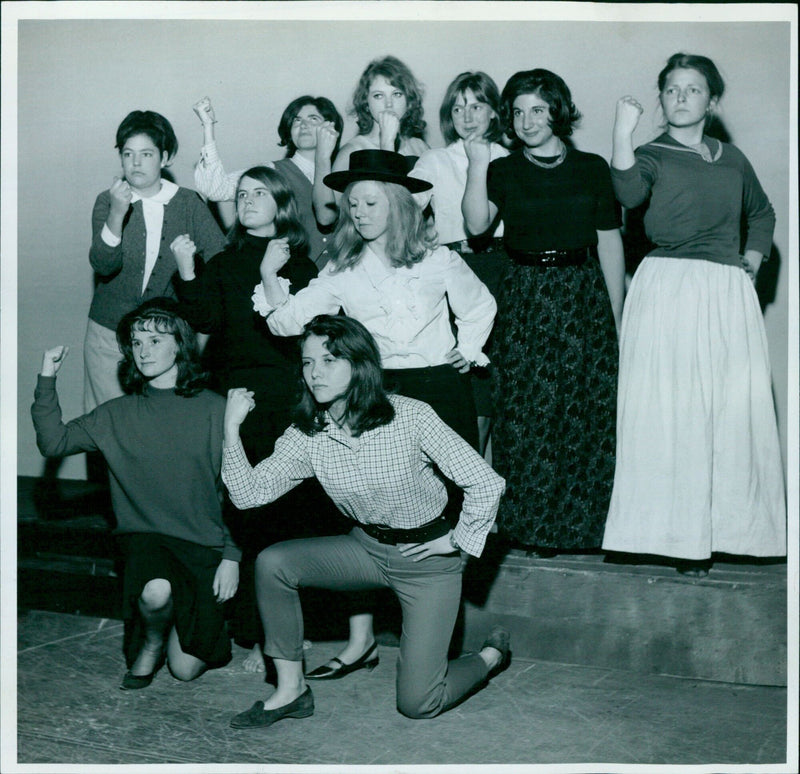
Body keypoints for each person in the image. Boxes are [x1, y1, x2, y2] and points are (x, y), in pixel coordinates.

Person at [253, 149, 496, 677]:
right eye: (352, 204)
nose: (357, 212)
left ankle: (438, 649)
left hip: (441, 386)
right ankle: (364, 637)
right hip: (380, 394)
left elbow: (480, 306)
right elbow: (284, 322)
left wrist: (469, 348)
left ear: (398, 204)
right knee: (371, 509)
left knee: (447, 505)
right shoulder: (342, 271)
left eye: (368, 202)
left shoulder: (439, 259)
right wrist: (270, 276)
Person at [222, 314, 509, 728]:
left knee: (418, 703)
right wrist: (232, 429)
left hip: (425, 562)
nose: (315, 372)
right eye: (307, 362)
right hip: (364, 549)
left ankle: (489, 657)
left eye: (329, 360)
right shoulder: (308, 433)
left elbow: (486, 482)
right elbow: (248, 495)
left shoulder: (411, 416)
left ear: (359, 365)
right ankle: (290, 690)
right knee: (273, 562)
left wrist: (458, 540)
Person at [601, 53, 786, 576]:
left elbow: (762, 212)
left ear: (713, 100)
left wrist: (751, 260)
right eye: (672, 89)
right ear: (661, 99)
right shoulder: (649, 153)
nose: (682, 97)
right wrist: (621, 132)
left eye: (694, 89)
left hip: (727, 291)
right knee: (671, 413)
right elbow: (628, 193)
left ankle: (730, 532)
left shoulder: (733, 157)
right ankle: (673, 538)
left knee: (730, 412)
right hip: (668, 288)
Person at [32, 299, 239, 689]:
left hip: (202, 545)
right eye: (137, 342)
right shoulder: (115, 414)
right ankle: (154, 637)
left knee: (185, 670)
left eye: (156, 340)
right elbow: (53, 442)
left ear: (180, 344)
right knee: (155, 590)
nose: (143, 351)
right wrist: (47, 377)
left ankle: (185, 625)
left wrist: (232, 556)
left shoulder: (216, 409)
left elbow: (237, 492)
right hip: (145, 541)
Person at [462, 68, 625, 555]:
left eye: (537, 109)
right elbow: (475, 227)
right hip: (524, 296)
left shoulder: (592, 167)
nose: (527, 120)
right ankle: (532, 530)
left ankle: (585, 529)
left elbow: (610, 242)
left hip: (582, 294)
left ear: (557, 110)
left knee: (585, 413)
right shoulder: (503, 169)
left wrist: (616, 318)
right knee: (527, 414)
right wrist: (475, 162)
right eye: (517, 111)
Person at [170, 166, 319, 674]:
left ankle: (284, 636)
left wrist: (273, 274)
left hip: (287, 398)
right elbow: (205, 320)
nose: (250, 200)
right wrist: (188, 269)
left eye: (261, 192)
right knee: (246, 514)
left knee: (285, 519)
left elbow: (300, 334)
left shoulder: (300, 264)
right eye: (242, 194)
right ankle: (253, 635)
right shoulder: (226, 261)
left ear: (281, 204)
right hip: (237, 395)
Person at [86, 110, 226, 411]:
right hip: (108, 337)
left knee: (162, 425)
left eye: (146, 154)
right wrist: (117, 213)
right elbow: (103, 264)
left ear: (165, 158)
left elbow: (222, 263)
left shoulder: (188, 203)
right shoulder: (107, 201)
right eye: (128, 154)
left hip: (164, 340)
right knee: (109, 427)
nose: (135, 163)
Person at [409, 71, 510, 453]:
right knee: (466, 380)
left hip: (504, 271)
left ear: (494, 112)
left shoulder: (509, 159)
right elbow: (404, 208)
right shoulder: (433, 160)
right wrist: (421, 233)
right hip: (457, 274)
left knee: (498, 380)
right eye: (458, 107)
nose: (467, 115)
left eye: (477, 105)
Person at [192, 95, 343, 268]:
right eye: (297, 120)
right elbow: (215, 189)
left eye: (313, 118)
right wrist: (208, 126)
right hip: (293, 273)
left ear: (331, 128)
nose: (303, 125)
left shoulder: (343, 172)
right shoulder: (273, 171)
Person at [312, 55, 430, 227]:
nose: (389, 104)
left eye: (397, 94)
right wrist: (322, 158)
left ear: (409, 101)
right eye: (378, 96)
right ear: (366, 103)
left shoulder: (420, 147)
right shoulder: (354, 151)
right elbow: (325, 217)